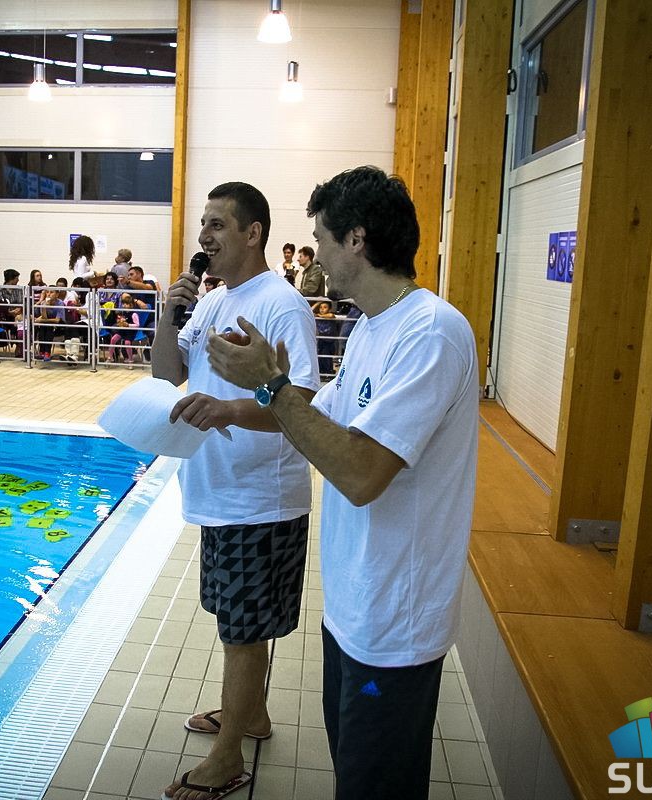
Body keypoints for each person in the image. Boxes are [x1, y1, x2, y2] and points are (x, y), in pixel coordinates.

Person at [204, 166, 479, 800]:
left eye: (321, 239)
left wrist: (270, 385)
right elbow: (314, 421)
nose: (315, 254)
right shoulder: (371, 328)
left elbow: (360, 474)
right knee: (352, 769)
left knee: (375, 782)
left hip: (396, 621)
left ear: (356, 239)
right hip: (354, 608)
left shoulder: (431, 333)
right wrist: (254, 395)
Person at [156, 182, 319, 800]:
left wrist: (227, 410)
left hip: (260, 496)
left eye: (218, 224)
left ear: (254, 233)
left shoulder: (281, 305)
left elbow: (300, 403)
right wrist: (169, 316)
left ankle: (227, 759)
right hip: (218, 490)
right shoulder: (209, 302)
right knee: (235, 620)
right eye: (204, 224)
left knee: (243, 632)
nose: (205, 235)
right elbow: (166, 374)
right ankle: (252, 716)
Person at [312, 299, 338, 377]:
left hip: (330, 341)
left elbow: (331, 316)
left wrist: (319, 316)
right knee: (320, 357)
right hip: (321, 340)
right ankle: (322, 373)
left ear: (329, 309)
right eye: (320, 307)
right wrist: (318, 302)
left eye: (325, 307)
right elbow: (310, 311)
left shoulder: (330, 316)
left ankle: (328, 373)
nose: (322, 309)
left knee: (326, 357)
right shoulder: (317, 316)